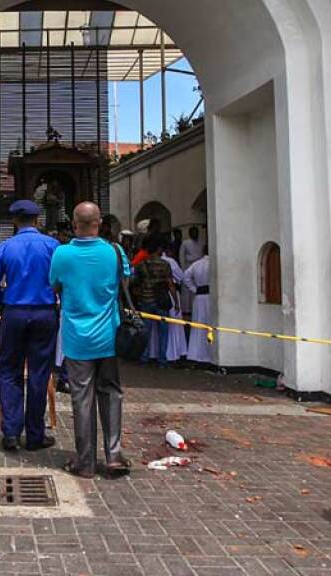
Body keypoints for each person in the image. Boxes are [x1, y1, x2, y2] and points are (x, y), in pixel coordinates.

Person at [49, 201, 132, 478]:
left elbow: (55, 285)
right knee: (111, 394)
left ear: (74, 223)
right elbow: (124, 283)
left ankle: (85, 462)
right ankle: (114, 455)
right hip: (108, 336)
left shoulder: (62, 254)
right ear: (99, 223)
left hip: (76, 338)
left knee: (81, 399)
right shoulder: (114, 252)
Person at [0, 199, 59, 452]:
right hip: (45, 312)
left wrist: (3, 300)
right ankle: (35, 435)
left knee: (9, 371)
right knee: (39, 373)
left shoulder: (5, 248)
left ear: (15, 221)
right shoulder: (52, 246)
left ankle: (11, 433)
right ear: (37, 220)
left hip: (14, 312)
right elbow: (60, 280)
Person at [130, 234, 176, 365]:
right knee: (163, 331)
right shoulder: (165, 264)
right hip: (161, 300)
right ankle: (162, 359)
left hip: (146, 300)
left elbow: (135, 283)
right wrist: (176, 303)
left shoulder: (141, 265)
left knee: (146, 331)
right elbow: (170, 284)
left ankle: (144, 357)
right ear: (158, 249)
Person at [182, 246, 213, 364]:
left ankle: (196, 354)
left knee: (198, 325)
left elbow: (185, 277)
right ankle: (208, 354)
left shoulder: (196, 264)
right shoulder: (213, 263)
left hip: (199, 297)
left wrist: (194, 289)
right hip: (210, 297)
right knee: (210, 324)